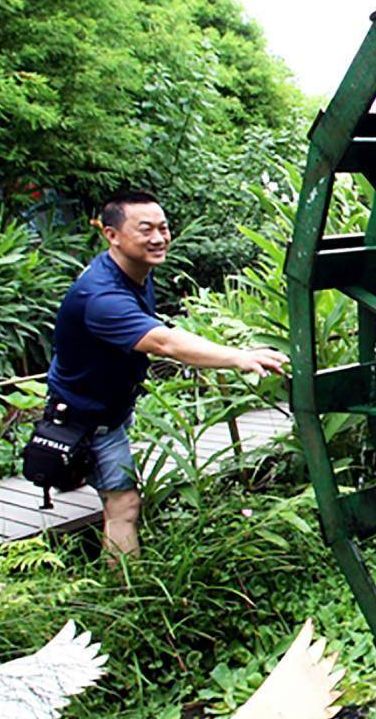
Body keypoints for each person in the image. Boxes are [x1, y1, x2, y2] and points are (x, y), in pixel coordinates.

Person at [46, 190, 288, 558]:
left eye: (163, 227)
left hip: (107, 407)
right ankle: (127, 592)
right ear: (112, 235)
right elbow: (164, 343)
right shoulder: (101, 296)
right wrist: (238, 357)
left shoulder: (132, 271)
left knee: (118, 498)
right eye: (146, 229)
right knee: (123, 505)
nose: (159, 238)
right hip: (87, 417)